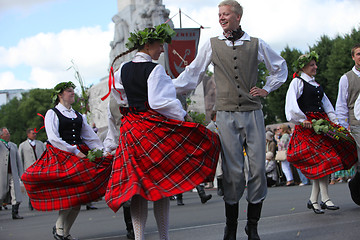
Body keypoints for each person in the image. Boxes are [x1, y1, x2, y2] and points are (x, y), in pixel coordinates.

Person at [172, 1, 288, 239]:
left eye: (225, 14)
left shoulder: (255, 43)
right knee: (233, 173)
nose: (221, 18)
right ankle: (231, 226)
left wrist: (266, 88)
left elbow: (280, 68)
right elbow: (193, 73)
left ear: (237, 16)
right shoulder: (212, 44)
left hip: (253, 112)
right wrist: (167, 89)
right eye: (219, 15)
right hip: (225, 114)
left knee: (257, 169)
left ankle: (253, 225)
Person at [103, 23, 220, 240]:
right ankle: (163, 237)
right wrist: (182, 115)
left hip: (131, 131)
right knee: (160, 185)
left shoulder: (121, 70)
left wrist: (127, 119)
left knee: (138, 188)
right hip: (151, 130)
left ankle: (139, 238)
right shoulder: (154, 69)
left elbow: (119, 99)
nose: (162, 50)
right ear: (148, 45)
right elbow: (160, 102)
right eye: (159, 46)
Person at [22, 82, 113, 240]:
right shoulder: (52, 113)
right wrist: (74, 150)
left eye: (73, 91)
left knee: (79, 197)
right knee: (72, 196)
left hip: (78, 155)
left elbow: (90, 137)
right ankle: (59, 230)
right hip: (60, 155)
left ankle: (63, 232)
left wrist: (102, 151)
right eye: (69, 91)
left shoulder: (78, 115)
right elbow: (53, 138)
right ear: (60, 95)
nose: (73, 93)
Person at [285, 51, 357, 214]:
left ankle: (314, 200)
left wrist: (336, 123)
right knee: (324, 161)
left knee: (323, 162)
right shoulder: (297, 82)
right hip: (307, 127)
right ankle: (324, 198)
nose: (315, 67)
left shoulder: (317, 85)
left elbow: (327, 105)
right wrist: (302, 119)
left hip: (321, 125)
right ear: (303, 67)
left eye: (315, 64)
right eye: (312, 65)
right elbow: (291, 105)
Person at [338, 44, 360, 205]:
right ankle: (355, 186)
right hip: (356, 124)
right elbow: (341, 105)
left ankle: (356, 184)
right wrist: (344, 128)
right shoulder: (346, 78)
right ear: (353, 57)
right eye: (358, 54)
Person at [18, 128, 46, 210]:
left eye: (35, 133)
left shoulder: (40, 144)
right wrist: (22, 171)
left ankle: (41, 202)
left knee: (41, 186)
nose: (35, 135)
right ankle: (31, 201)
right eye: (33, 133)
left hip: (40, 168)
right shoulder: (22, 145)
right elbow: (20, 159)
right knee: (31, 187)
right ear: (28, 134)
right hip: (29, 169)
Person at [0, 127, 24, 220]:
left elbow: (18, 161)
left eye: (9, 133)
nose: (9, 135)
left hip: (13, 173)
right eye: (7, 134)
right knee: (1, 193)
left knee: (15, 192)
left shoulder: (13, 145)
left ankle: (15, 212)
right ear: (1, 135)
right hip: (2, 174)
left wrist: (21, 174)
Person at [207, 110, 224, 196]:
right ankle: (220, 186)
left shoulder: (222, 124)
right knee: (219, 169)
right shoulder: (211, 126)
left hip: (224, 148)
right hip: (216, 149)